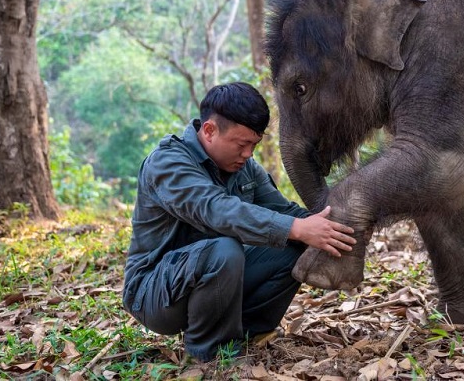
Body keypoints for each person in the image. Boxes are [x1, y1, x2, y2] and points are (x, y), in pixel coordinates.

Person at [122, 82, 356, 361]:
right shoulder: (168, 162)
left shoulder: (244, 168)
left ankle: (247, 332)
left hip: (212, 279)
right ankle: (209, 352)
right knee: (226, 250)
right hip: (154, 293)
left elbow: (283, 211)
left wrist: (333, 227)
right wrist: (297, 228)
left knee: (294, 243)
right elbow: (215, 210)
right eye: (242, 144)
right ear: (209, 131)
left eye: (254, 145)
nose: (248, 154)